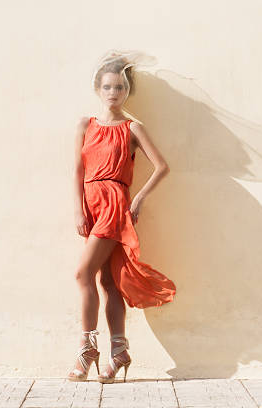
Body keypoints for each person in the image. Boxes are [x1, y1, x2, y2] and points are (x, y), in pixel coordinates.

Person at [67, 52, 176, 383]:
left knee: (82, 274)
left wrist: (139, 198)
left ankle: (87, 349)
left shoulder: (132, 128)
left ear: (127, 91)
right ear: (98, 89)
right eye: (107, 86)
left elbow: (162, 166)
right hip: (91, 201)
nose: (113, 92)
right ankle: (119, 352)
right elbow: (77, 170)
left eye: (119, 87)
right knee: (108, 282)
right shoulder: (86, 125)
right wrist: (77, 207)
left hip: (114, 203)